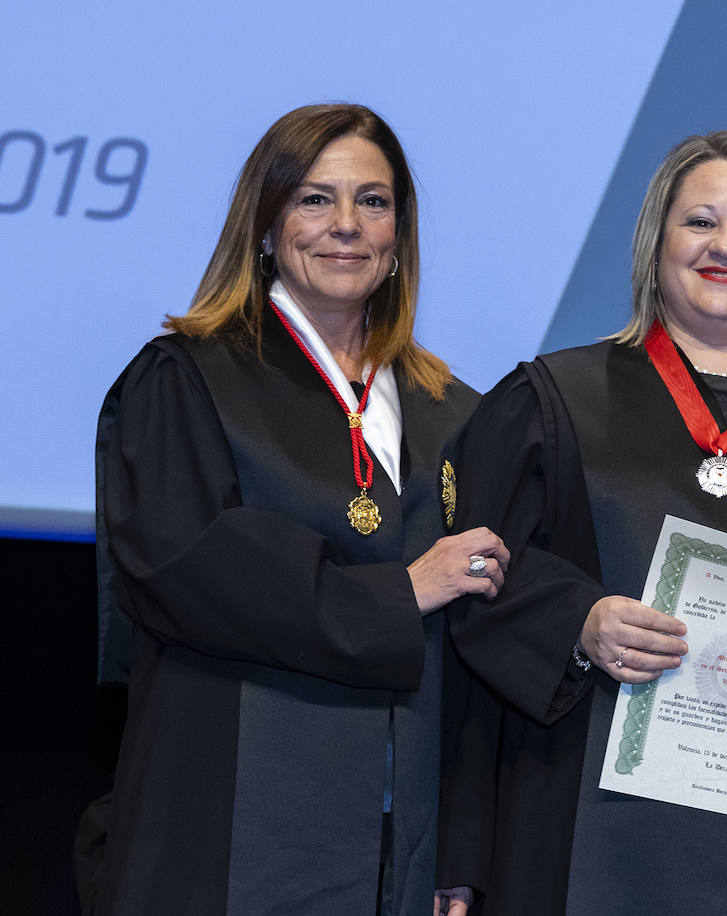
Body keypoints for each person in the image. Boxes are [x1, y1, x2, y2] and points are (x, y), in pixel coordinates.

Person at [436, 130, 727, 915]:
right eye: (700, 222)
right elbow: (478, 582)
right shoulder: (552, 402)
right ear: (657, 243)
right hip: (594, 831)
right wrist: (579, 622)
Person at [93, 103, 508, 916]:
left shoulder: (455, 412)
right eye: (315, 199)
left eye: (373, 202)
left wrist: (456, 854)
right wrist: (399, 593)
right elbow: (187, 575)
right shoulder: (188, 380)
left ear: (399, 236)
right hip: (231, 837)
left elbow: (473, 658)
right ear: (265, 223)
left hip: (397, 851)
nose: (346, 224)